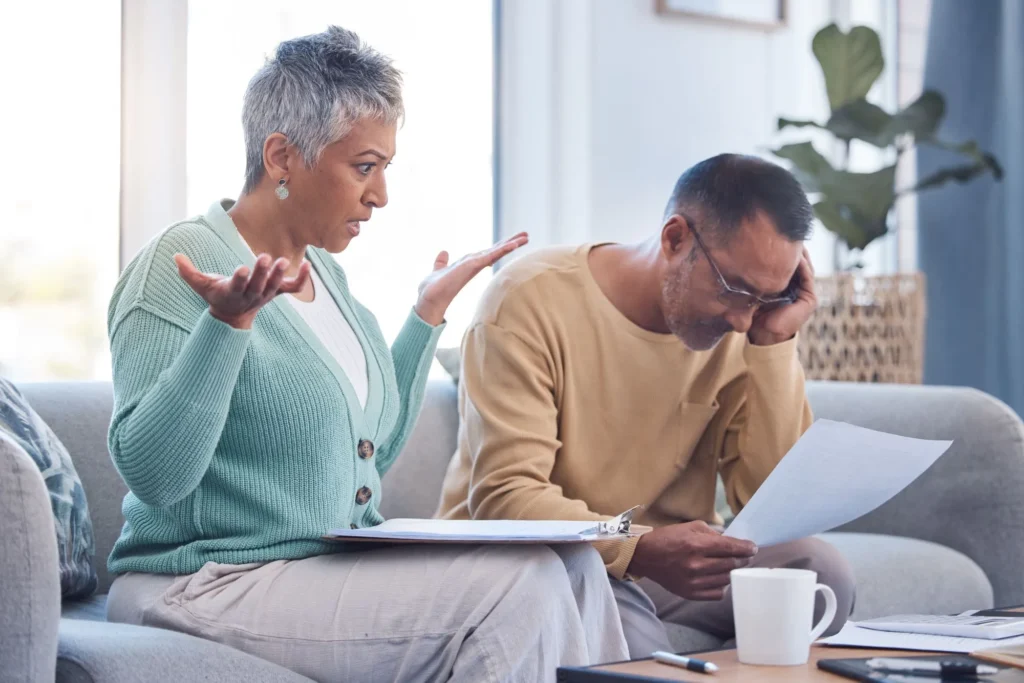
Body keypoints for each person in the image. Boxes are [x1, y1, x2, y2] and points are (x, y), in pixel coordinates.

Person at [103, 26, 628, 682]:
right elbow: (155, 474)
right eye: (364, 167)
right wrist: (227, 324)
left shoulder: (330, 279)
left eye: (384, 169)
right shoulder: (177, 265)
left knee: (575, 566)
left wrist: (426, 314)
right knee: (515, 590)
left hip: (313, 572)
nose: (380, 196)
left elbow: (368, 450)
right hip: (201, 580)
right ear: (281, 157)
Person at [436, 154, 857, 657]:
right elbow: (506, 497)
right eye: (735, 290)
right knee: (630, 635)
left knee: (819, 573)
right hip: (546, 559)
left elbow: (770, 509)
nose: (744, 320)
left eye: (764, 299)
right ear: (675, 238)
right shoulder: (529, 300)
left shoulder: (746, 327)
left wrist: (774, 345)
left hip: (668, 564)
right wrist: (636, 545)